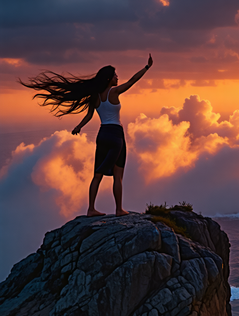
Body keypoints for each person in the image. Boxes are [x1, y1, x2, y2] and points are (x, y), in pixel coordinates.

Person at [20, 54, 153, 216]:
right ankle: (119, 209)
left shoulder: (94, 96)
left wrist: (79, 126)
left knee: (97, 175)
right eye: (115, 76)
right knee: (117, 176)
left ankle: (91, 209)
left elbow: (90, 115)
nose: (117, 78)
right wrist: (147, 67)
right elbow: (133, 81)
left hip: (102, 134)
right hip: (116, 135)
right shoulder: (114, 92)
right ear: (109, 79)